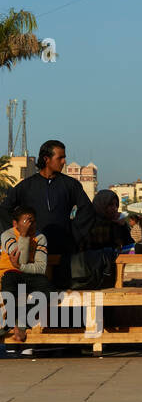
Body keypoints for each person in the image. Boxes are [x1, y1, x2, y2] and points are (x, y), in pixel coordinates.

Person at [0, 139, 95, 275]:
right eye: (60, 158)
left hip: (64, 249)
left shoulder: (70, 184)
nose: (63, 162)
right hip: (34, 249)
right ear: (46, 159)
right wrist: (19, 234)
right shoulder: (27, 185)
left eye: (64, 158)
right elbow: (4, 210)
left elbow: (87, 209)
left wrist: (74, 234)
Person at [1, 205, 50, 342]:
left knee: (48, 291)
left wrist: (21, 266)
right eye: (26, 222)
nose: (30, 225)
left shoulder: (40, 238)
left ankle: (19, 322)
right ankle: (12, 323)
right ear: (15, 224)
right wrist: (23, 235)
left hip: (31, 276)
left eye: (33, 221)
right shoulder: (8, 235)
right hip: (10, 274)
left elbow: (40, 268)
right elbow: (20, 260)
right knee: (9, 289)